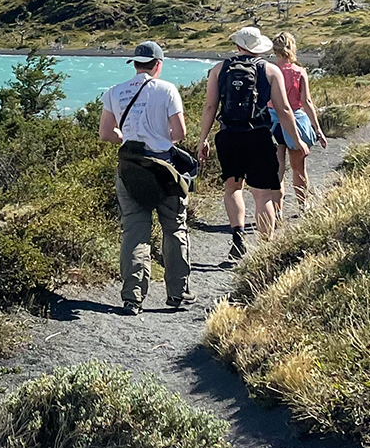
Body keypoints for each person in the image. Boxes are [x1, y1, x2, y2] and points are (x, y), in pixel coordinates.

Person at [99, 40, 192, 314]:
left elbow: (106, 133)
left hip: (130, 168)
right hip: (163, 168)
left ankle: (132, 298)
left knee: (135, 231)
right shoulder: (167, 90)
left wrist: (129, 137)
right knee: (174, 228)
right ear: (158, 64)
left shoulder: (114, 92)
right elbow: (179, 133)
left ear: (135, 64)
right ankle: (178, 293)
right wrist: (160, 137)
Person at [196, 26, 304, 260]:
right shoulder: (270, 70)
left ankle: (238, 235)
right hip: (258, 136)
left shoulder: (219, 69)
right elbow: (284, 110)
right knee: (262, 195)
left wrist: (203, 139)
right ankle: (266, 249)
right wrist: (297, 139)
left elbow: (210, 107)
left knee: (233, 188)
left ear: (237, 46)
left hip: (228, 136)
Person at [271, 32, 326, 219]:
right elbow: (307, 102)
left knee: (277, 168)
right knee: (298, 168)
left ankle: (277, 211)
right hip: (295, 120)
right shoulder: (299, 72)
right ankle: (303, 206)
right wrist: (317, 129)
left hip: (273, 122)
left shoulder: (269, 70)